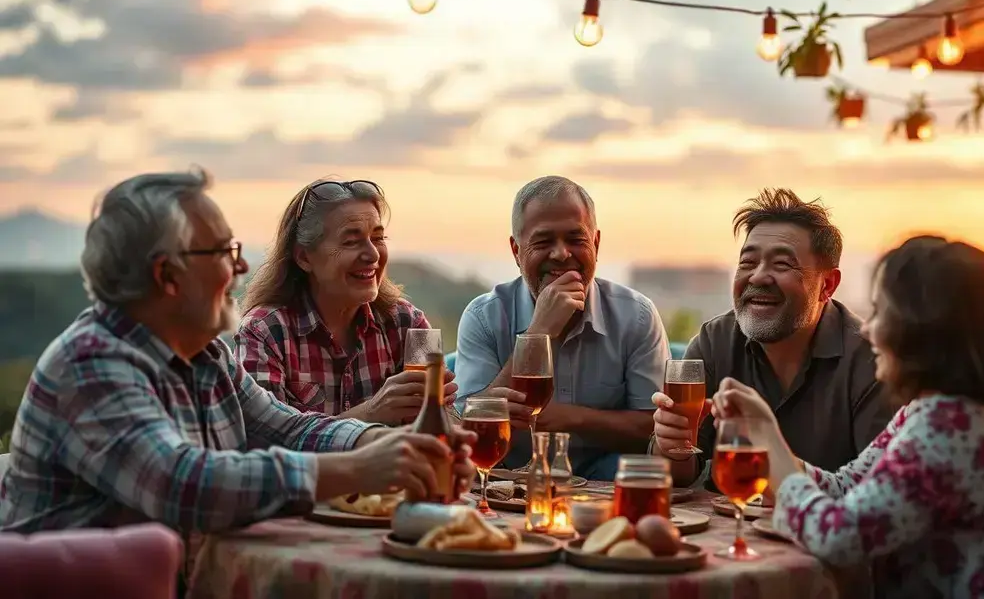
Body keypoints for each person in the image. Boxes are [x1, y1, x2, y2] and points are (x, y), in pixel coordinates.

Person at [0, 170, 476, 540]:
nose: (242, 265)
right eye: (225, 251)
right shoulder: (91, 365)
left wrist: (385, 444)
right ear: (169, 275)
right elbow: (184, 485)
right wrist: (359, 467)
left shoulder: (205, 356)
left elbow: (288, 427)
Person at [713, 235, 984, 597]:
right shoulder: (953, 407)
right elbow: (850, 486)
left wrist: (768, 440)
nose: (869, 329)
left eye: (881, 313)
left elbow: (839, 539)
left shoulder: (953, 427)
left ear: (922, 330)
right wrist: (772, 449)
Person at [651, 188, 892, 488]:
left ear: (827, 284)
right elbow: (676, 477)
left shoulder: (872, 358)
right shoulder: (714, 341)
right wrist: (671, 445)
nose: (758, 277)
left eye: (782, 265)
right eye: (748, 263)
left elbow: (879, 490)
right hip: (727, 527)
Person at [454, 176, 670, 479]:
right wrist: (539, 331)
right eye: (543, 242)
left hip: (609, 484)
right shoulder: (484, 316)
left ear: (595, 243)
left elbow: (655, 429)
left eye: (575, 239)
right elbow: (468, 430)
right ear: (516, 251)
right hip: (512, 482)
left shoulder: (636, 316)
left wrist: (571, 418)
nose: (561, 254)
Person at [235, 178, 456, 425]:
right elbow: (263, 441)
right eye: (351, 242)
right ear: (304, 257)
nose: (372, 254)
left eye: (378, 238)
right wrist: (370, 413)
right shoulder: (264, 331)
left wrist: (447, 413)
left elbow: (442, 425)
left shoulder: (410, 323)